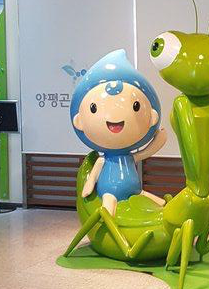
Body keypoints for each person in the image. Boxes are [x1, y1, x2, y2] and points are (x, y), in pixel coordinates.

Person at [70, 50, 167, 215]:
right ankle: (108, 224)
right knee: (109, 209)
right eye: (94, 108)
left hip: (136, 192)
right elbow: (93, 177)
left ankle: (164, 211)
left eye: (136, 106)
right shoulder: (103, 160)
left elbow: (145, 152)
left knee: (160, 204)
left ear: (152, 116)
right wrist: (89, 184)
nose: (114, 116)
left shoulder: (130, 157)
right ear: (79, 121)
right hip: (109, 193)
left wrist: (159, 140)